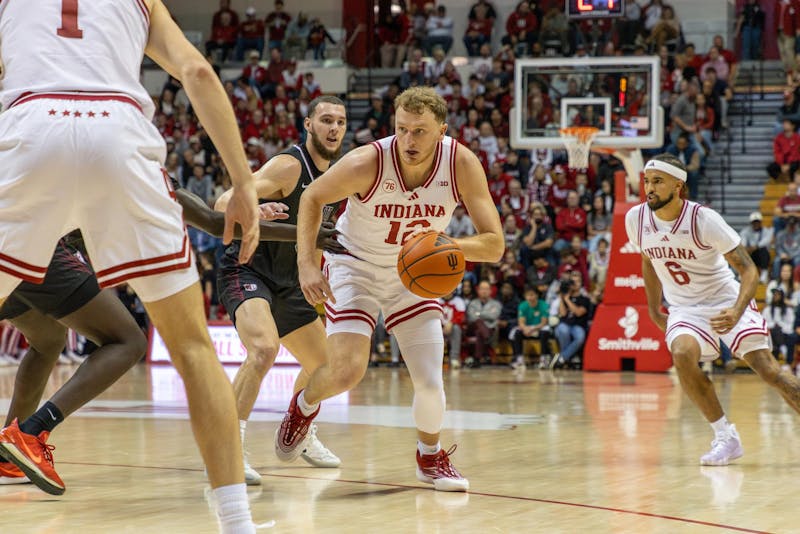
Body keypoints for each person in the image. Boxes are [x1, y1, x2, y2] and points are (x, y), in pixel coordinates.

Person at [0, 1, 261, 532]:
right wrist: (243, 184)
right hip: (118, 131)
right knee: (191, 348)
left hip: (30, 131)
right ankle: (237, 524)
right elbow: (197, 71)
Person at [0, 184, 331, 486]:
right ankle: (31, 432)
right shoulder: (140, 168)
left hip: (14, 234)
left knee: (48, 341)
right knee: (127, 341)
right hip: (33, 247)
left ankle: (10, 455)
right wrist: (309, 236)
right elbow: (217, 225)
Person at [274, 86, 504, 491]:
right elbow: (311, 197)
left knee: (431, 380)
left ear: (442, 131)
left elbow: (494, 244)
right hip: (355, 265)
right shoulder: (368, 161)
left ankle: (430, 458)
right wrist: (307, 263)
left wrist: (446, 247)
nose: (408, 141)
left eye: (420, 131)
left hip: (413, 275)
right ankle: (303, 406)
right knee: (346, 371)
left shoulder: (461, 163)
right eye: (401, 129)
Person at [626, 153, 800, 466]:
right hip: (685, 308)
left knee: (769, 372)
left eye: (657, 181)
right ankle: (725, 437)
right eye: (647, 181)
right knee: (681, 354)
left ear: (678, 186)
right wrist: (654, 310)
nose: (649, 188)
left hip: (725, 299)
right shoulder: (636, 219)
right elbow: (648, 260)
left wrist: (736, 310)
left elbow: (749, 270)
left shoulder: (703, 219)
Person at [214, 96, 348, 484]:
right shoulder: (289, 166)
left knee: (327, 367)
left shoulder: (337, 177)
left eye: (339, 121)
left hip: (291, 281)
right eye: (325, 120)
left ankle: (301, 433)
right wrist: (253, 209)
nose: (333, 128)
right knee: (263, 349)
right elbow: (225, 200)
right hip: (248, 269)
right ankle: (229, 450)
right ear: (308, 125)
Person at [510, 287, 552, 370]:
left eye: (532, 295)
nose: (530, 297)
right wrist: (525, 328)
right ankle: (519, 359)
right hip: (528, 328)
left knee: (545, 333)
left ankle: (544, 359)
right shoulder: (523, 305)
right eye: (528, 295)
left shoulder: (544, 305)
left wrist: (533, 329)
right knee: (517, 333)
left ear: (536, 295)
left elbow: (544, 322)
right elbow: (521, 322)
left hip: (539, 327)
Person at [740, 212, 773, 283]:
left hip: (761, 255)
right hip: (750, 254)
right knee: (742, 252)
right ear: (751, 223)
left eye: (757, 222)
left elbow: (766, 241)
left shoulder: (766, 231)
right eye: (754, 222)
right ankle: (742, 273)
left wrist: (756, 246)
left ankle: (764, 273)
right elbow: (743, 242)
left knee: (763, 250)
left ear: (760, 222)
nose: (756, 224)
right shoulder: (745, 231)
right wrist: (747, 248)